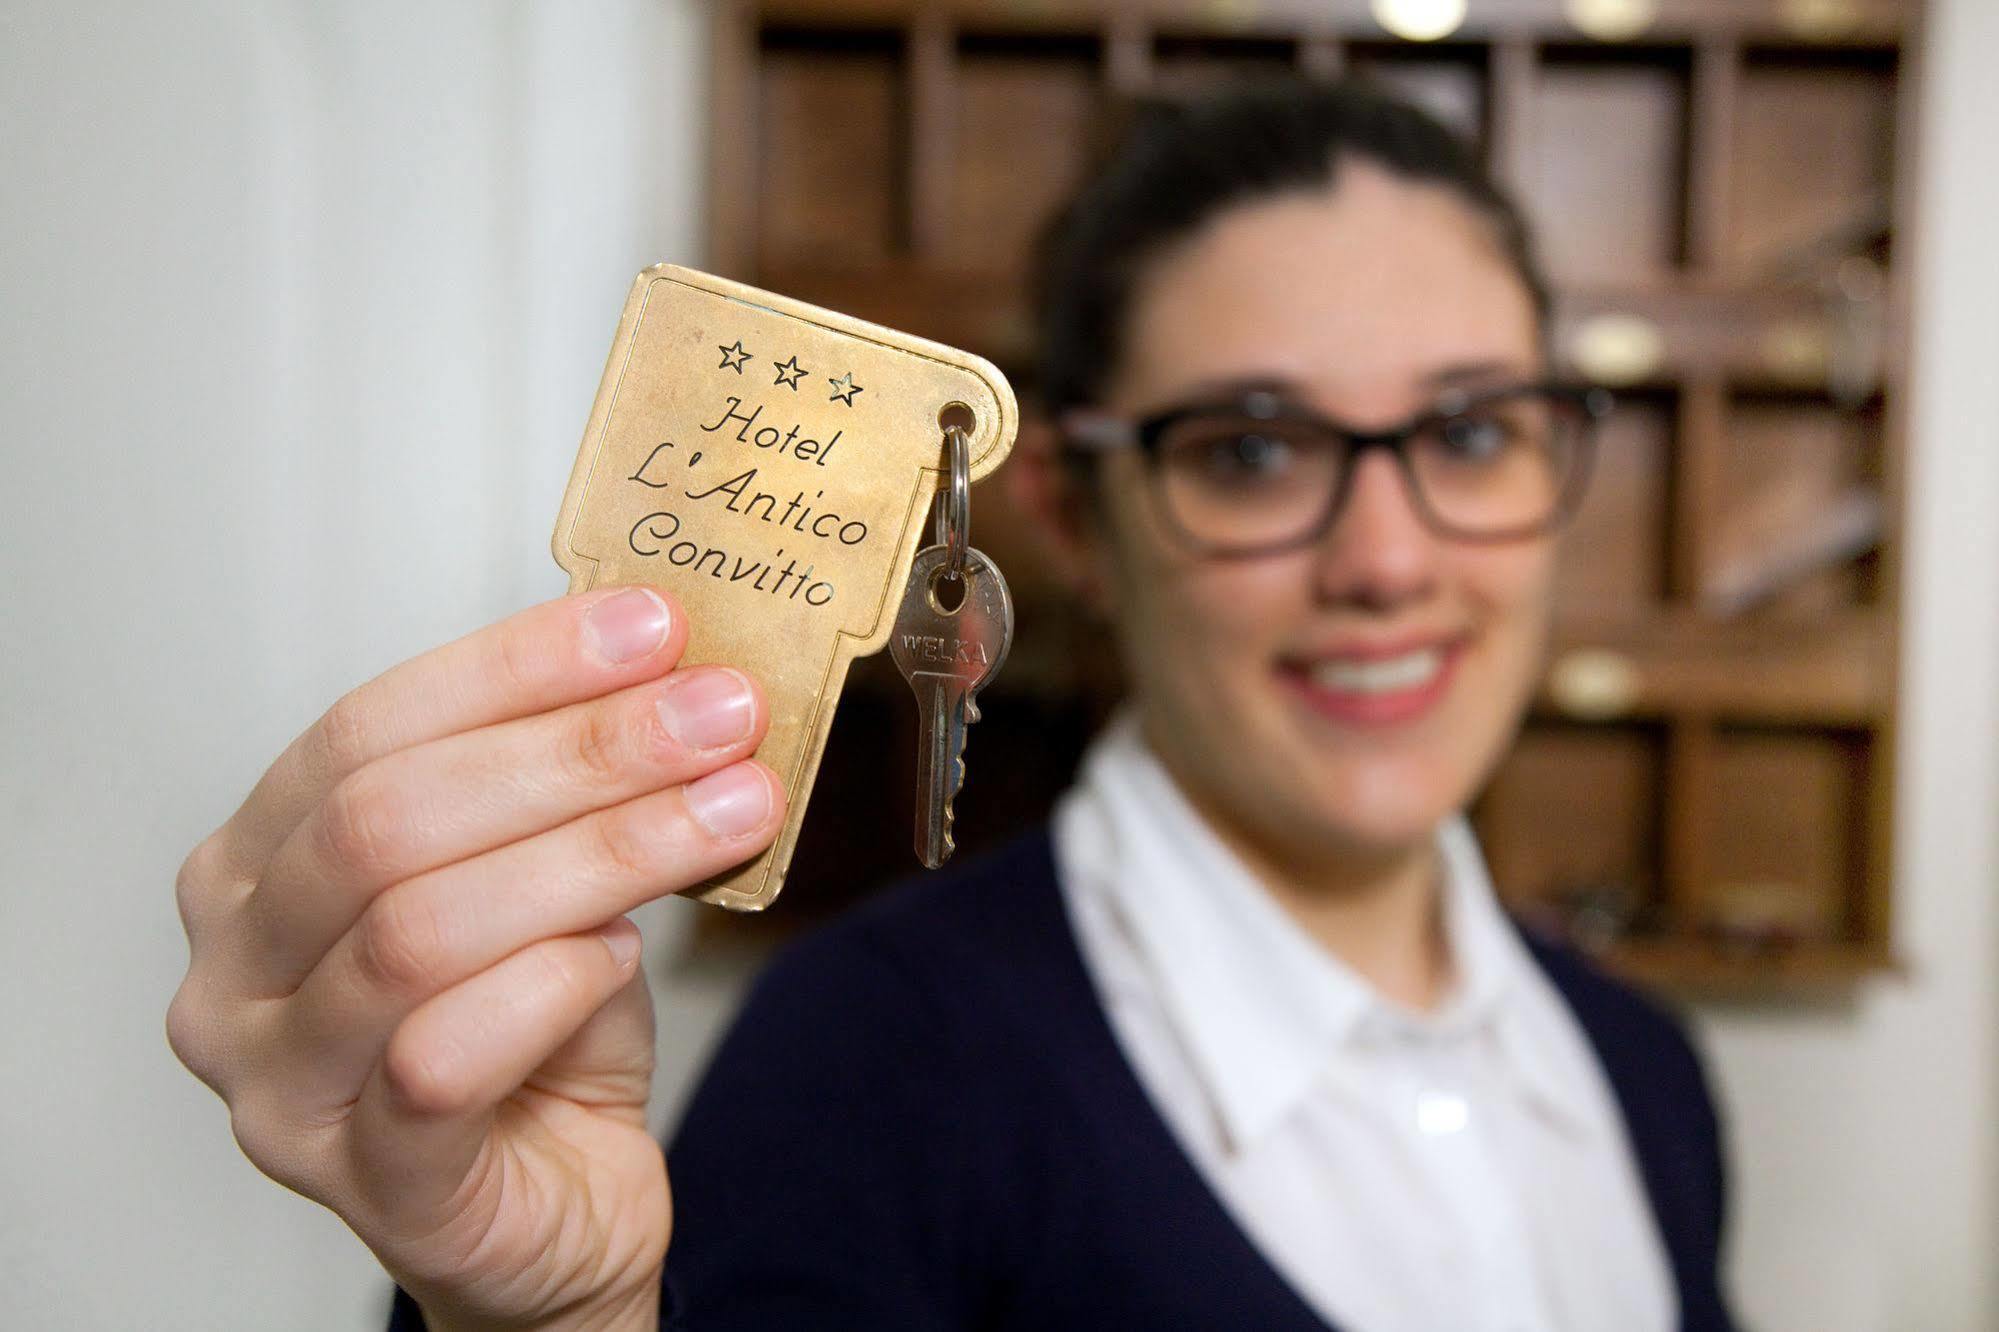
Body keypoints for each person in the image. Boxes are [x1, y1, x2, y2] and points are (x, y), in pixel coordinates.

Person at [169, 79, 1733, 1332]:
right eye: (1251, 452)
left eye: (1470, 433)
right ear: (1066, 512)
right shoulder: (863, 1066)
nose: (1388, 561)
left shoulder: (1643, 1069)